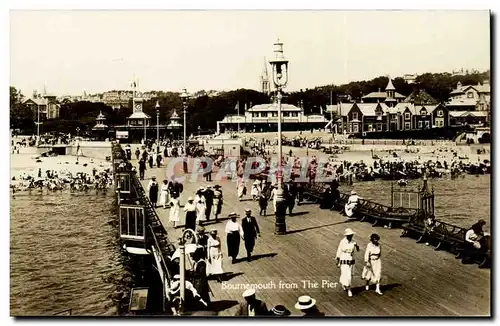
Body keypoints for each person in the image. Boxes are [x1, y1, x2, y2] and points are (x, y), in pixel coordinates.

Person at [335, 228, 359, 297]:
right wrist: (338, 260)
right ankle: (349, 289)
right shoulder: (342, 241)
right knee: (347, 274)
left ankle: (344, 283)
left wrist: (356, 245)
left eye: (351, 235)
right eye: (349, 235)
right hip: (344, 258)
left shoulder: (353, 241)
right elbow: (339, 250)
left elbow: (357, 250)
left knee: (350, 274)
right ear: (346, 235)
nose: (350, 236)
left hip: (351, 258)